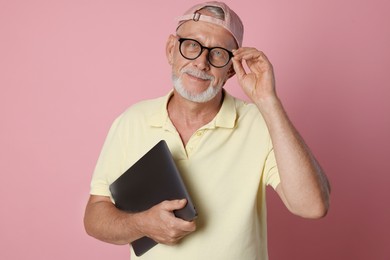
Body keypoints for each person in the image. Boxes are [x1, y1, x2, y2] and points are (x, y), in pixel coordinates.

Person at [84, 1, 330, 259]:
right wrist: (141, 224)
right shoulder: (131, 121)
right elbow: (95, 216)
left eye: (218, 53)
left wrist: (268, 102)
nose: (202, 62)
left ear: (231, 70)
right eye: (192, 45)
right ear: (171, 50)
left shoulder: (261, 123)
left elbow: (313, 206)